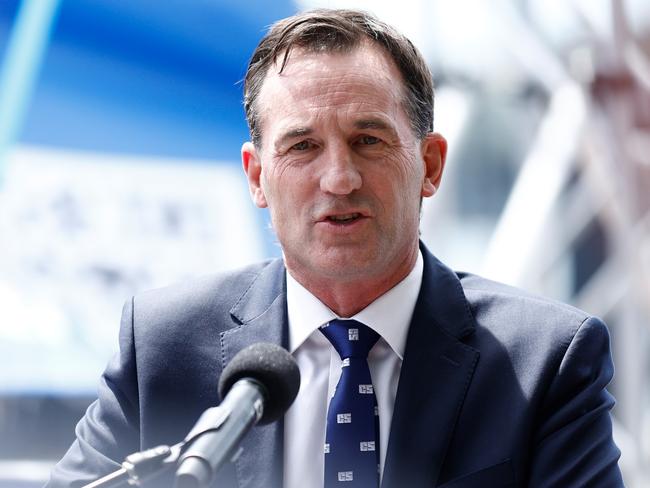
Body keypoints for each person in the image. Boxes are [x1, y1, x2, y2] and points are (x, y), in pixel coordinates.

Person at [46, 8, 623, 488]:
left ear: (430, 164)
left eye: (367, 141)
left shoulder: (545, 360)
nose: (339, 178)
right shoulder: (163, 345)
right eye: (302, 146)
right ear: (256, 178)